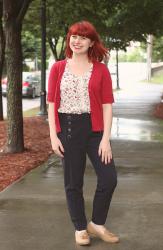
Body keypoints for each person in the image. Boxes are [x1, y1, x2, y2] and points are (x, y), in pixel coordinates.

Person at [47, 20, 119, 246]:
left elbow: (107, 105)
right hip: (67, 129)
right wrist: (53, 135)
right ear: (69, 40)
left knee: (109, 179)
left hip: (95, 130)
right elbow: (51, 104)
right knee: (73, 183)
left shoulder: (101, 69)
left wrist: (105, 139)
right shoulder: (58, 68)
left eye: (83, 37)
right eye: (74, 36)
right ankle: (80, 228)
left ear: (91, 42)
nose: (77, 41)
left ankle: (96, 224)